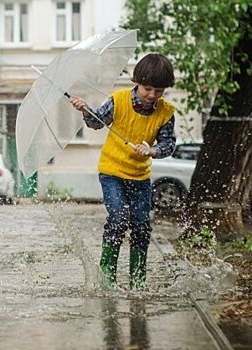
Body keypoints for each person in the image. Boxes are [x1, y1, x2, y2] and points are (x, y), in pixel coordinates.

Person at [69, 53, 176, 291]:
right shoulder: (118, 101)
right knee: (118, 220)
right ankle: (107, 282)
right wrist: (85, 110)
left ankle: (138, 283)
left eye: (159, 91)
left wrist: (153, 150)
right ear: (137, 82)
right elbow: (96, 122)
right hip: (112, 172)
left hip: (140, 176)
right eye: (148, 89)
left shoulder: (166, 112)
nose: (152, 95)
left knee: (141, 226)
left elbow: (169, 144)